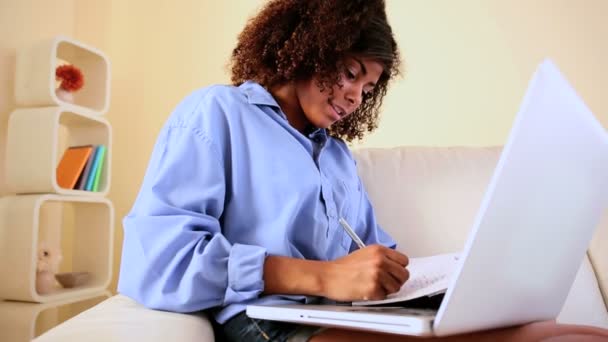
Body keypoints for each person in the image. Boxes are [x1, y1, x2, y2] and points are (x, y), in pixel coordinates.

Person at [117, 0, 608, 341]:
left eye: (368, 89)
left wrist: (429, 279)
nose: (355, 97)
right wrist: (325, 277)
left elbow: (373, 253)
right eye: (351, 73)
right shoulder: (216, 114)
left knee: (578, 333)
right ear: (308, 47)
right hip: (273, 324)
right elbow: (159, 260)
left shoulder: (336, 158)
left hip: (350, 318)